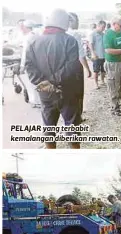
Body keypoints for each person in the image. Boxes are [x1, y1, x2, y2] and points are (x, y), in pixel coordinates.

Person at [25, 8, 83, 149]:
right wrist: (54, 81)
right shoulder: (69, 41)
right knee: (72, 129)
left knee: (49, 128)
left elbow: (29, 67)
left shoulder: (33, 42)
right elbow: (72, 67)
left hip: (46, 93)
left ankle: (51, 159)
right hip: (68, 92)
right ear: (63, 22)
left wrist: (45, 83)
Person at [103, 16, 121, 116]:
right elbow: (108, 50)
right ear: (114, 24)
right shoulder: (108, 34)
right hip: (113, 63)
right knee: (113, 85)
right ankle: (114, 107)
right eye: (120, 25)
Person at [68, 12, 92, 116]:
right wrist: (87, 69)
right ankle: (78, 116)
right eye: (77, 20)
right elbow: (80, 55)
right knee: (78, 93)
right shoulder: (75, 34)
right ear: (70, 21)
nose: (78, 23)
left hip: (61, 69)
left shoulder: (61, 33)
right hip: (74, 68)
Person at [20, 20, 41, 108]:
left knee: (31, 82)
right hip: (38, 62)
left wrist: (22, 66)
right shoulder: (36, 35)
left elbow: (25, 53)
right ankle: (38, 101)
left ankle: (36, 101)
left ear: (26, 28)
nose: (21, 29)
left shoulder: (28, 37)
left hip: (30, 63)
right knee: (37, 81)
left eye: (23, 28)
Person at [89, 20, 106, 89]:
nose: (103, 28)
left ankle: (102, 81)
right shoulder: (93, 34)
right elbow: (90, 44)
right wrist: (93, 53)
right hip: (96, 56)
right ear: (98, 26)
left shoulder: (103, 34)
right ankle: (96, 84)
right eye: (102, 27)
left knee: (103, 69)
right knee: (96, 70)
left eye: (104, 27)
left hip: (103, 55)